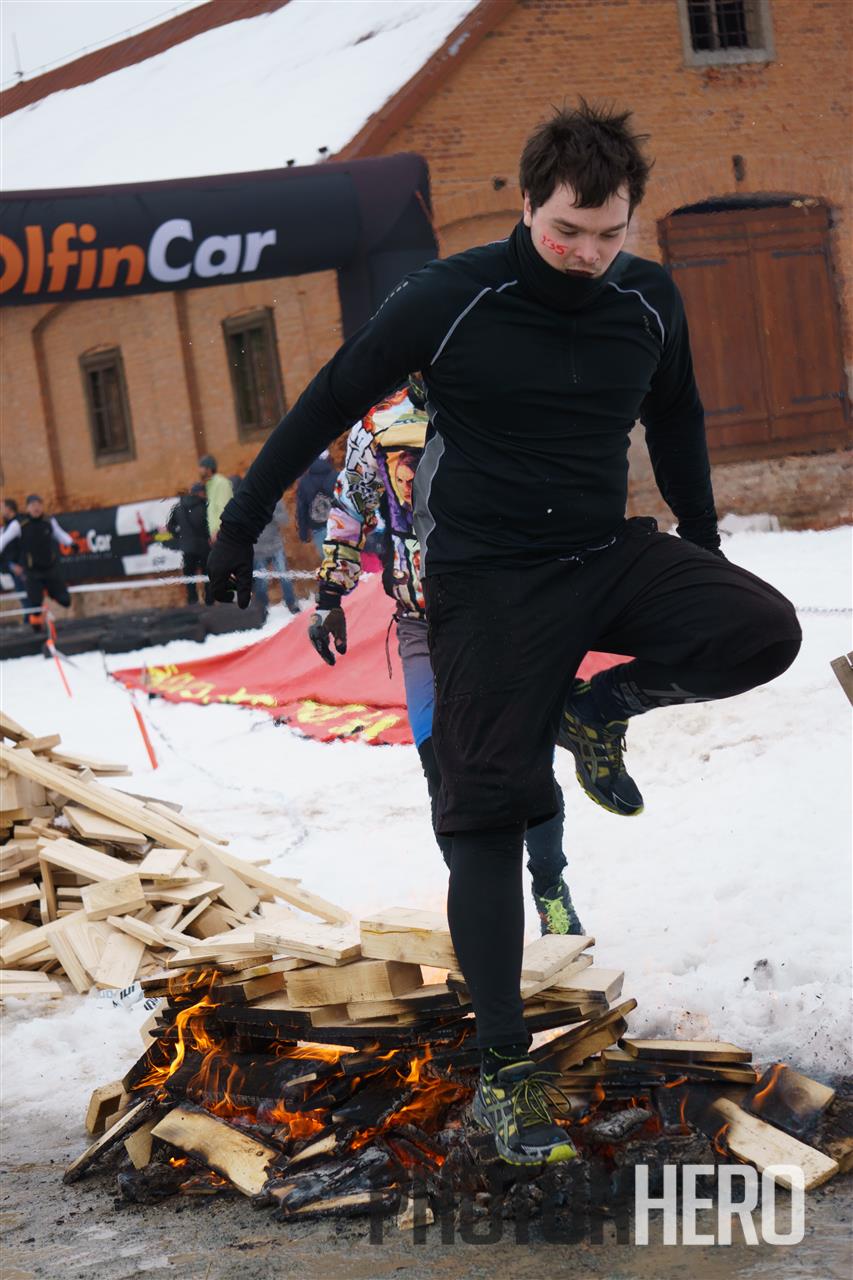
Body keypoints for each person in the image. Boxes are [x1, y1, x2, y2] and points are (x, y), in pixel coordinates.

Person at [206, 101, 802, 1167]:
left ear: (630, 219)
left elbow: (676, 417)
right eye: (567, 229)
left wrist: (704, 541)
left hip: (602, 552)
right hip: (486, 583)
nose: (586, 253)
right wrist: (241, 520)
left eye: (608, 233)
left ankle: (597, 708)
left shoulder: (647, 300)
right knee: (484, 814)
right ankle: (504, 1069)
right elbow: (329, 398)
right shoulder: (449, 298)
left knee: (759, 630)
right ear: (528, 206)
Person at [307, 377, 583, 935]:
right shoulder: (377, 424)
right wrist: (330, 596)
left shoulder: (497, 397)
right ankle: (480, 914)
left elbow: (545, 495)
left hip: (499, 618)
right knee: (443, 771)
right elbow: (351, 508)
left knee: (525, 762)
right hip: (421, 626)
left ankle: (550, 887)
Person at [0, 493, 75, 630]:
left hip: (49, 569)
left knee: (66, 601)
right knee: (34, 607)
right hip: (32, 572)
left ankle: (48, 591)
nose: (36, 508)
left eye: (39, 505)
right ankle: (36, 629)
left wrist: (71, 543)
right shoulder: (19, 524)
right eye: (33, 505)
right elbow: (3, 540)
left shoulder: (48, 521)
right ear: (27, 508)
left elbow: (59, 534)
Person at [167, 483, 210, 605]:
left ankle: (192, 600)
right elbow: (207, 527)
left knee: (189, 576)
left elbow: (170, 526)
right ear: (200, 493)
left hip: (188, 547)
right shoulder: (204, 506)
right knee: (207, 575)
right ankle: (209, 600)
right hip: (204, 546)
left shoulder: (178, 507)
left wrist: (180, 536)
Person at [253, 497, 299, 614]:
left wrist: (273, 514)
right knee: (261, 582)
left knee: (284, 575)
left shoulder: (275, 499)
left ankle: (291, 603)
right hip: (258, 549)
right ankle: (262, 609)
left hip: (276, 546)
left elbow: (285, 520)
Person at [296, 450, 336, 556]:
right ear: (328, 459)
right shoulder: (337, 476)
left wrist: (303, 533)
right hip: (339, 526)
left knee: (328, 560)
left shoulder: (304, 481)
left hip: (318, 527)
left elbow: (302, 509)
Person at [198, 455, 233, 540]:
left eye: (201, 467)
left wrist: (218, 530)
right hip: (216, 534)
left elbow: (224, 507)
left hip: (223, 533)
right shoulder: (210, 484)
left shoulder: (221, 483)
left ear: (209, 468)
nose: (199, 470)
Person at [0, 498, 27, 600]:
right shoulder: (7, 524)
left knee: (27, 598)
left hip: (20, 567)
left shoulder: (16, 524)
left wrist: (16, 565)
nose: (1, 511)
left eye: (2, 508)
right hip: (12, 565)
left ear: (9, 509)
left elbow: (2, 542)